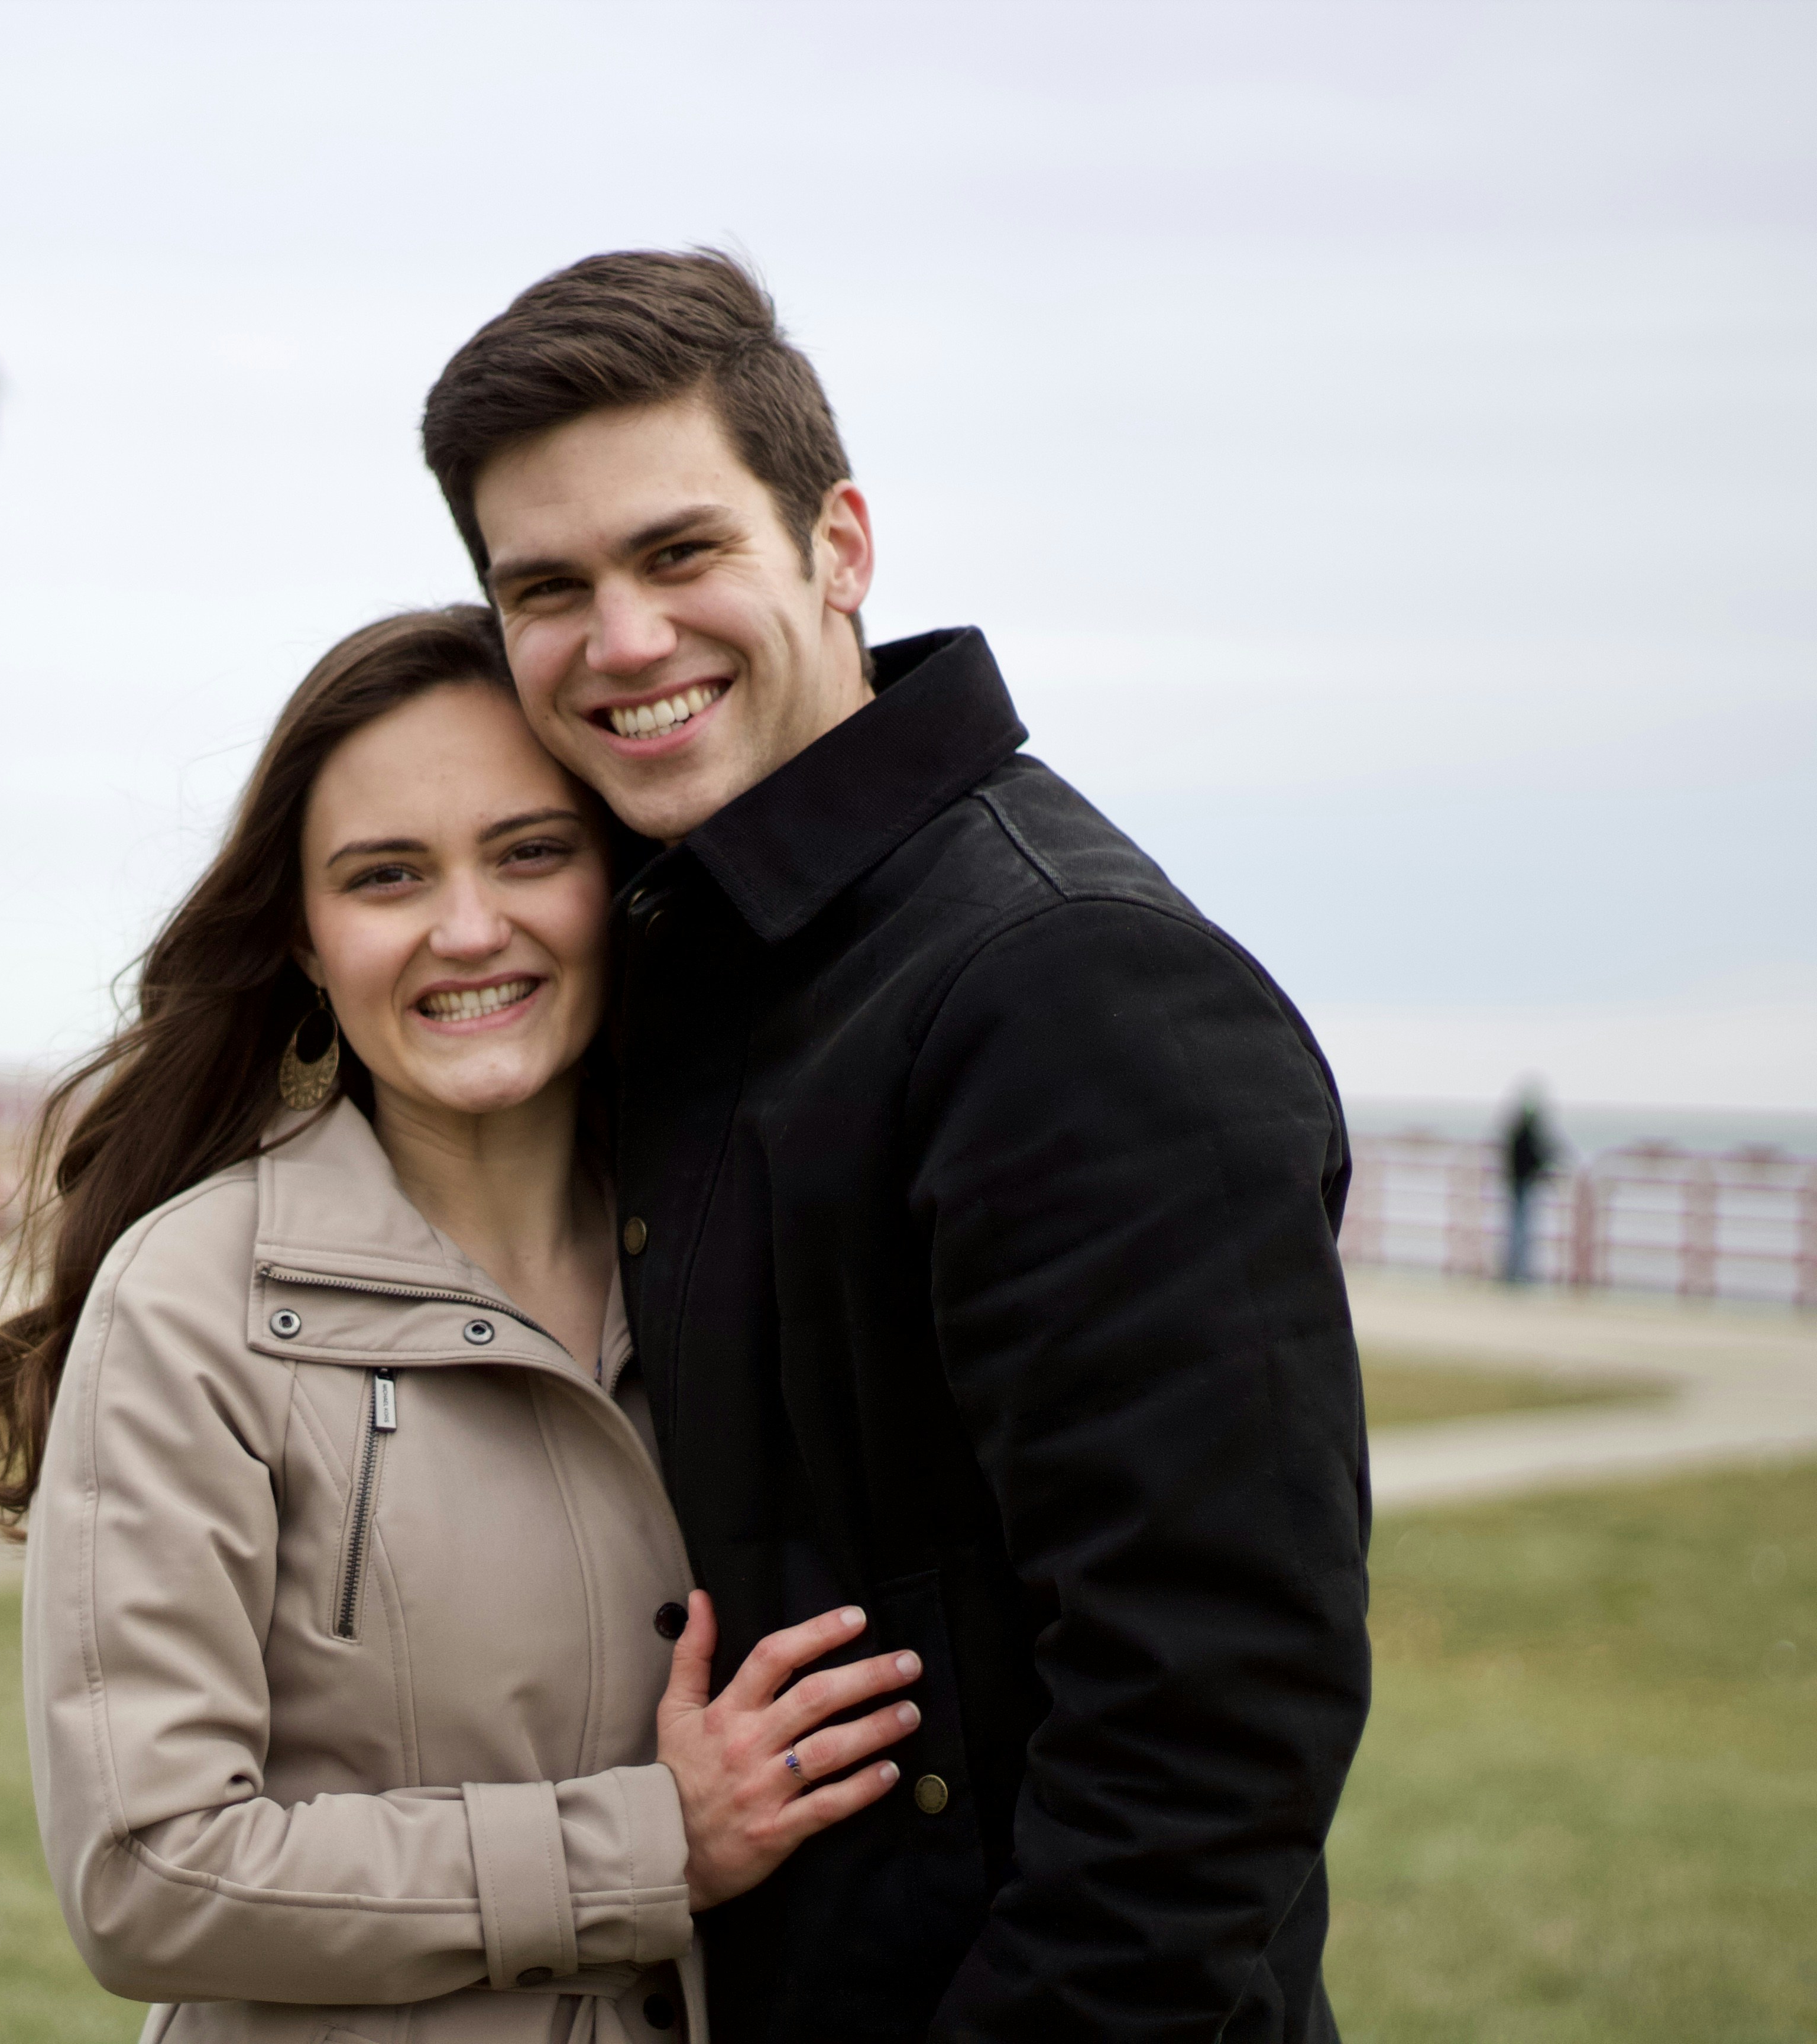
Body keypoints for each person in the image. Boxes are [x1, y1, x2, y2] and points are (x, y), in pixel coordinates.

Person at [419, 255, 1373, 2042]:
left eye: (681, 553)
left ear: (838, 547)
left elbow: (1212, 1728)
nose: (622, 642)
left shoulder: (1068, 985)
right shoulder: (694, 965)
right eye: (547, 588)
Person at [0, 607, 925, 2043]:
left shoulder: (754, 1247)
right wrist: (651, 1847)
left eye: (529, 851)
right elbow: (145, 1873)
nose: (468, 929)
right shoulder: (193, 1299)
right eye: (386, 876)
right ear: (305, 935)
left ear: (618, 875)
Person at [1500, 1081, 1560, 1285]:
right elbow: (1536, 1155)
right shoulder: (1527, 1130)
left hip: (1518, 1183)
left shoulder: (1518, 1127)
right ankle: (1517, 1272)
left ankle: (1515, 1271)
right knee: (1521, 1231)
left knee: (1519, 1230)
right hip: (1522, 1183)